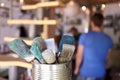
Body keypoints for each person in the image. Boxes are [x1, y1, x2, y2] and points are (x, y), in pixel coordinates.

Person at [74, 13, 113, 80]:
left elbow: (79, 56)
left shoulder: (84, 36)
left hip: (86, 73)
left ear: (92, 23)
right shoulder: (108, 39)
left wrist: (76, 69)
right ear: (102, 23)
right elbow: (107, 57)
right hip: (101, 73)